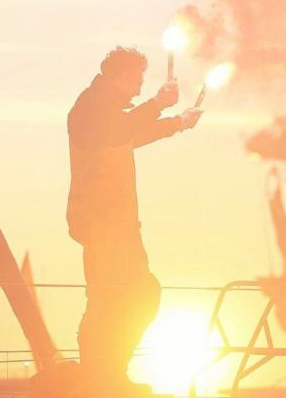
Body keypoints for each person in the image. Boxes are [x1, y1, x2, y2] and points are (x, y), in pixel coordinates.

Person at [66, 47, 202, 394]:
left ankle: (107, 372)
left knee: (125, 296)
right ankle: (101, 374)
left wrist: (177, 123)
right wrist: (159, 104)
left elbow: (131, 135)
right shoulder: (91, 108)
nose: (140, 88)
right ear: (121, 77)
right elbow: (118, 132)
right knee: (121, 297)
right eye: (138, 80)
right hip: (103, 223)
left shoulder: (105, 110)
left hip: (118, 223)